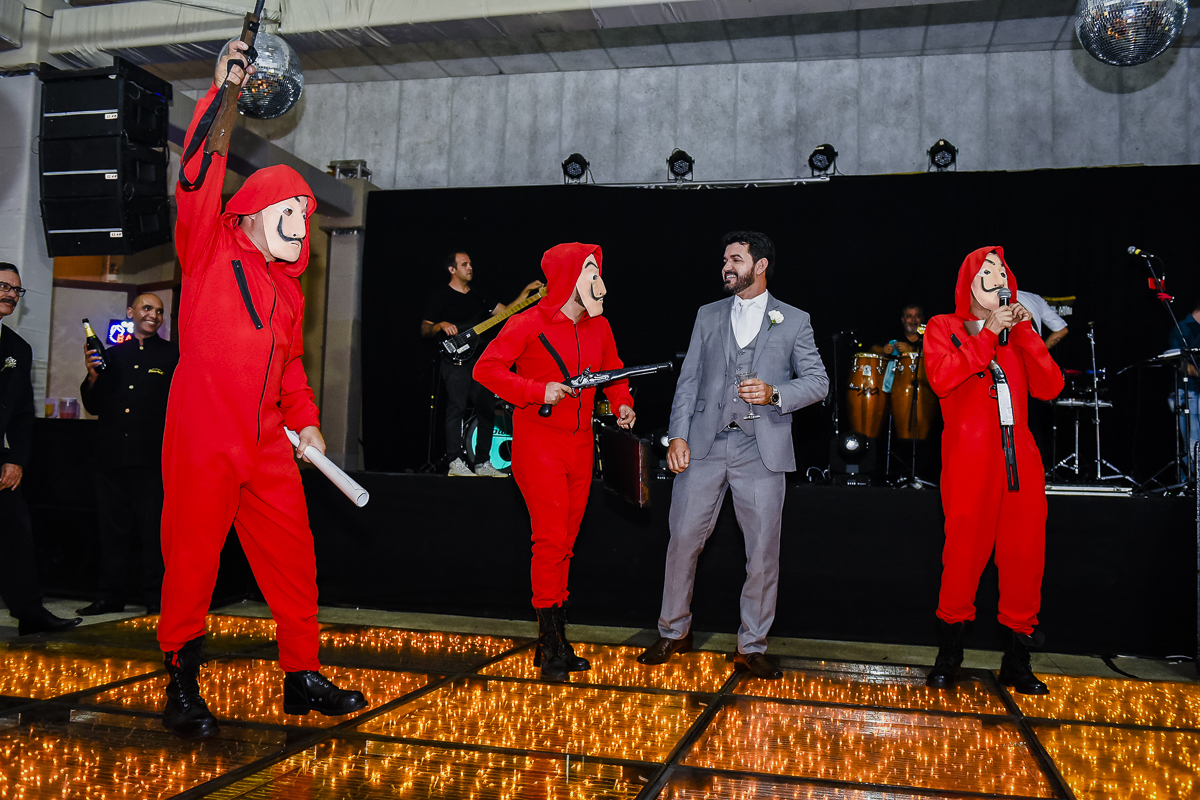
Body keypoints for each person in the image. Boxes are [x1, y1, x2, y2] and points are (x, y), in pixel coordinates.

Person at [158, 40, 365, 739]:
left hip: (270, 444)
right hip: (203, 434)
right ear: (251, 214)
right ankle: (179, 679)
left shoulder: (287, 293)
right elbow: (197, 176)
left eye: (308, 218)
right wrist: (223, 93)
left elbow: (292, 372)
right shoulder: (209, 248)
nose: (303, 227)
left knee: (295, 557)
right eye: (293, 213)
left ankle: (301, 676)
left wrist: (306, 424)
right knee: (192, 558)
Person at [637, 231, 828, 680]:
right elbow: (688, 381)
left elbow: (818, 382)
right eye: (724, 258)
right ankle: (673, 631)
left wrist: (776, 391)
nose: (726, 266)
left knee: (762, 551)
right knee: (683, 539)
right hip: (704, 444)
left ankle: (752, 645)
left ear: (760, 266)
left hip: (761, 450)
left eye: (736, 259)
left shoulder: (794, 320)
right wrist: (676, 436)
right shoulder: (708, 314)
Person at [474, 242, 634, 681]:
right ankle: (550, 645)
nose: (598, 280)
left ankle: (555, 637)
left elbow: (614, 370)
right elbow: (485, 370)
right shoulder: (527, 323)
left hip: (583, 446)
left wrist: (622, 402)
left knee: (566, 540)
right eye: (589, 271)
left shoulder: (599, 328)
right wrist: (535, 391)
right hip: (539, 443)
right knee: (549, 540)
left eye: (598, 270)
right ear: (567, 278)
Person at [923, 246, 1063, 695]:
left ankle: (1017, 664)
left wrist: (1023, 333)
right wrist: (987, 334)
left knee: (1025, 556)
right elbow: (943, 378)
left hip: (1020, 460)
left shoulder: (1017, 332)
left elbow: (1050, 386)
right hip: (970, 460)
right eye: (987, 270)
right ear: (969, 280)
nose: (996, 276)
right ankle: (949, 656)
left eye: (1002, 270)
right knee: (962, 555)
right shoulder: (945, 327)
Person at [77, 294, 178, 615]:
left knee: (153, 532)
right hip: (110, 458)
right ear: (131, 313)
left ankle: (155, 598)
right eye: (148, 309)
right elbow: (93, 406)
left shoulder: (173, 355)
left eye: (160, 311)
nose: (154, 315)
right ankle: (110, 596)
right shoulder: (113, 355)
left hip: (151, 460)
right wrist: (92, 375)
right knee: (111, 531)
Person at [0, 262, 83, 636]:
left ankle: (30, 612)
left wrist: (16, 459)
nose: (10, 295)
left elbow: (21, 413)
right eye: (3, 286)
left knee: (17, 530)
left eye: (16, 290)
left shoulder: (18, 348)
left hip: (1, 461)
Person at [421, 251, 543, 477]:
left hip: (480, 361)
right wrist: (440, 325)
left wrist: (527, 293)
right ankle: (455, 461)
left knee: (487, 408)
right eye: (464, 264)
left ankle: (482, 463)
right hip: (454, 359)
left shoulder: (479, 294)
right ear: (452, 269)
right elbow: (425, 328)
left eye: (470, 264)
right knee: (456, 407)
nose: (470, 267)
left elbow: (506, 313)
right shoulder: (440, 295)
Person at [1166, 299, 1200, 472]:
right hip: (1189, 393)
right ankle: (1191, 489)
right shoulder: (1183, 328)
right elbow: (1181, 364)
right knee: (1193, 445)